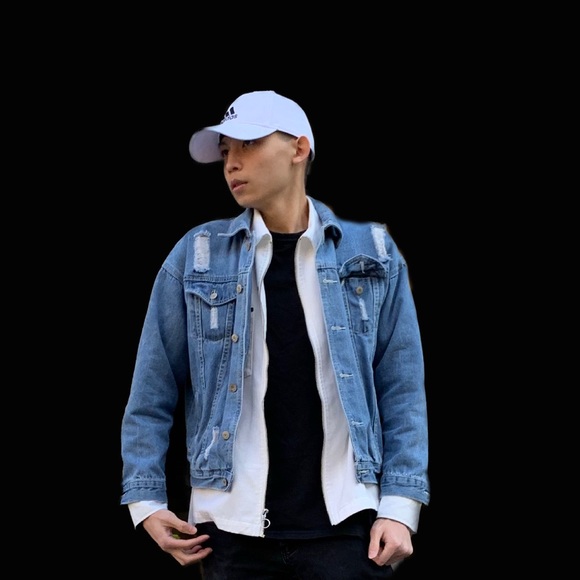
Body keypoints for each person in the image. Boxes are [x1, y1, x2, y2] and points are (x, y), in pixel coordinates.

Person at [120, 90, 430, 579]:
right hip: (230, 532)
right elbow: (151, 391)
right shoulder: (197, 256)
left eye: (248, 144)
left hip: (348, 526)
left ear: (299, 148)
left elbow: (402, 389)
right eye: (225, 151)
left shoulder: (372, 251)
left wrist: (400, 505)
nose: (231, 163)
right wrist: (146, 502)